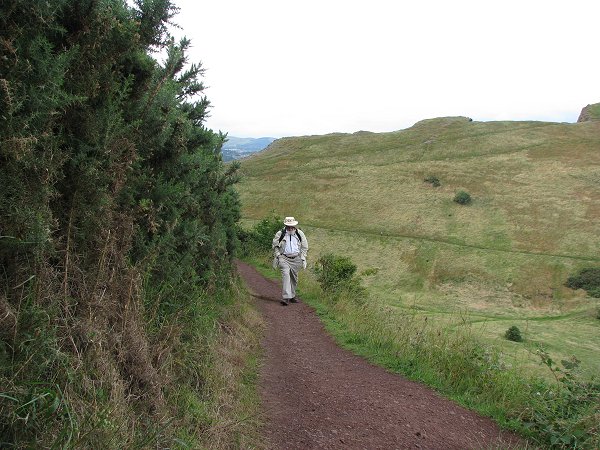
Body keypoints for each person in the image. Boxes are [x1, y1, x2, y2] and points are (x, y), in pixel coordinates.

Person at [272, 217, 309, 306]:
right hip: (284, 258)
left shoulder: (300, 234)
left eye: (292, 226)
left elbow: (305, 246)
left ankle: (292, 296)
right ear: (285, 225)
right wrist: (278, 256)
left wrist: (303, 257)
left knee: (294, 279)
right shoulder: (280, 233)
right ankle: (286, 297)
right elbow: (275, 245)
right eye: (288, 226)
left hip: (296, 259)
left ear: (295, 225)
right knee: (286, 276)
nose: (290, 228)